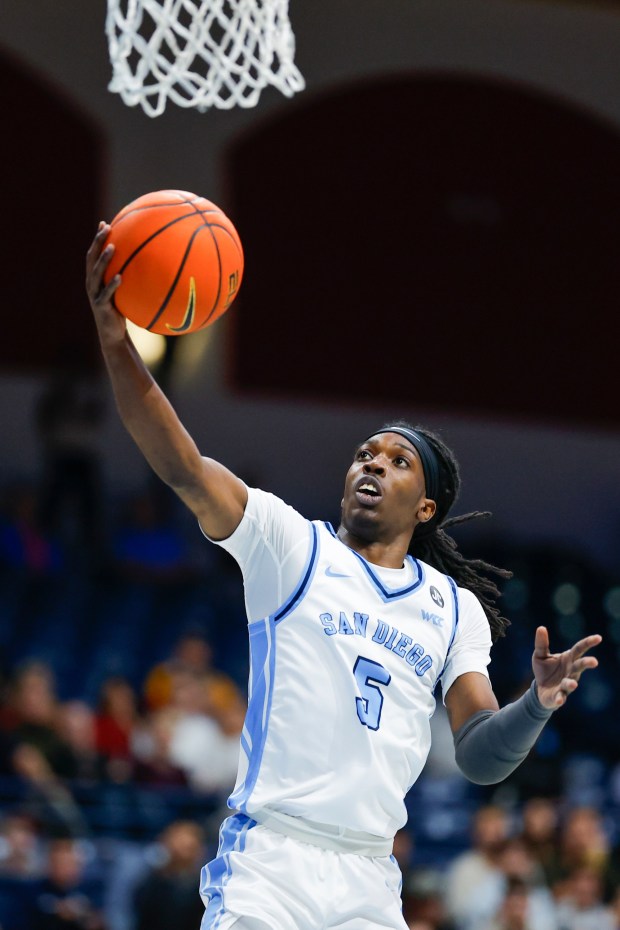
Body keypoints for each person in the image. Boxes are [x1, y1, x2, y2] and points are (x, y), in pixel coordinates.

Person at [86, 225, 602, 930]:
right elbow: (182, 465)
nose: (371, 463)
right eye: (365, 453)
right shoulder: (288, 546)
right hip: (272, 862)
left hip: (367, 878)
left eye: (396, 461)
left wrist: (535, 704)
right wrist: (118, 343)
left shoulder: (454, 611)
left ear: (426, 507)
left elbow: (481, 756)